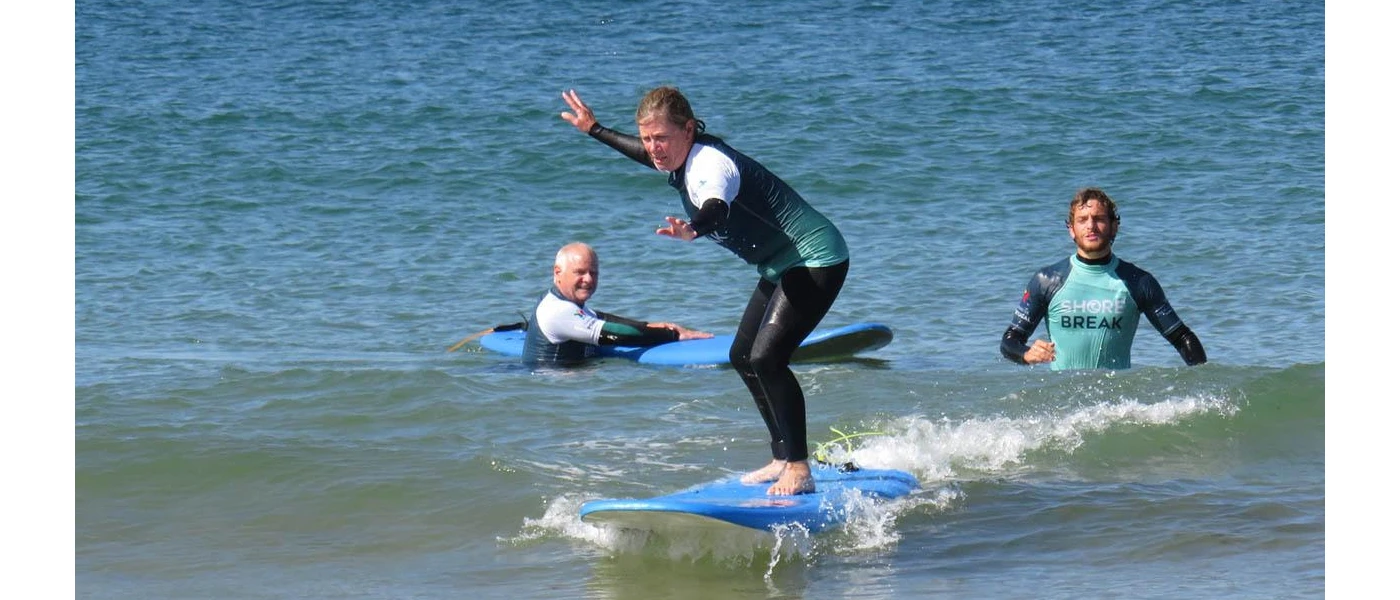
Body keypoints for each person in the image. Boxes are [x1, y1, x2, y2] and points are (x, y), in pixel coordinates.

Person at [559, 87, 849, 496]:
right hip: (782, 265)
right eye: (647, 138)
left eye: (661, 138)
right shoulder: (676, 156)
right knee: (742, 356)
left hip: (816, 259)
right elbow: (644, 156)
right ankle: (782, 456)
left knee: (767, 358)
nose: (653, 149)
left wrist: (694, 228)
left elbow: (717, 207)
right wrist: (595, 129)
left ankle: (799, 468)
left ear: (689, 129)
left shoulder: (710, 164)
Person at [1000, 187, 1207, 370]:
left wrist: (1207, 387)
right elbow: (1010, 341)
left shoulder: (1138, 282)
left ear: (1114, 226)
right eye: (1082, 220)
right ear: (1071, 230)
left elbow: (1182, 337)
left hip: (1115, 405)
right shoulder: (1046, 280)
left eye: (1098, 218)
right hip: (1062, 403)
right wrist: (1026, 354)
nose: (1091, 226)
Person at [523, 242, 711, 367]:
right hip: (554, 394)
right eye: (580, 272)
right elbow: (617, 335)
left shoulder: (558, 301)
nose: (588, 279)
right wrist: (674, 335)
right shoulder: (558, 310)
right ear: (557, 272)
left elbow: (600, 318)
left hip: (565, 391)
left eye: (593, 273)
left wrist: (647, 326)